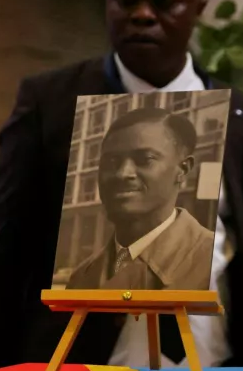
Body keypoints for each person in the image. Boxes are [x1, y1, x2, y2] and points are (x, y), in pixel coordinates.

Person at [0, 0, 243, 371]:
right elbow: (5, 252)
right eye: (127, 0)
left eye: (164, 2)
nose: (142, 15)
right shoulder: (51, 105)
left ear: (197, 9)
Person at [66, 107, 215, 291]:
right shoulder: (82, 276)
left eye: (145, 159)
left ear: (183, 170)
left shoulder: (215, 264)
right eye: (111, 162)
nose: (123, 173)